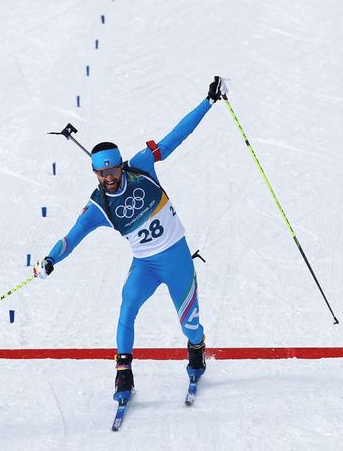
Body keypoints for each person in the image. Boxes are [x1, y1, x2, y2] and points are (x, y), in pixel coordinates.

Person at [35, 77, 227, 402]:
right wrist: (51, 259)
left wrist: (208, 103)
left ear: (122, 166)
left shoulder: (142, 167)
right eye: (102, 174)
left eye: (113, 171)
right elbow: (71, 238)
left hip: (177, 259)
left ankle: (197, 347)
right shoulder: (99, 205)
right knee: (127, 308)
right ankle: (123, 375)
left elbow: (177, 136)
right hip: (146, 265)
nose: (109, 179)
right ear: (95, 173)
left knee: (190, 325)